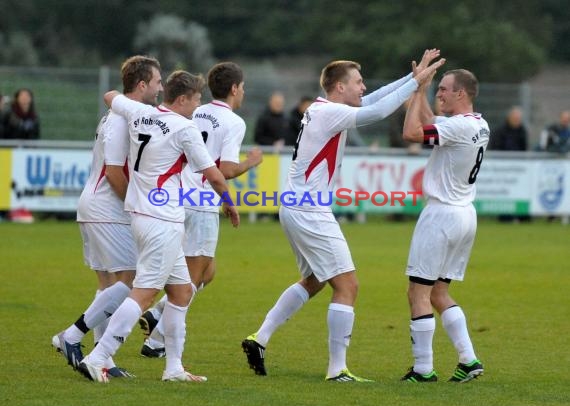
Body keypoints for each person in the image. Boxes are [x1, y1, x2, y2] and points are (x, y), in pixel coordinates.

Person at [241, 50, 444, 382]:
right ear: (338, 87)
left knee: (316, 280)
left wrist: (412, 79)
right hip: (309, 207)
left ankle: (258, 339)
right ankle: (337, 370)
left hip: (297, 204)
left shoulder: (326, 109)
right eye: (358, 81)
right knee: (347, 285)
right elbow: (379, 109)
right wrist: (416, 84)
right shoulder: (330, 113)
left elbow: (375, 100)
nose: (363, 87)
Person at [77, 70, 240, 383]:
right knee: (144, 295)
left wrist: (118, 98)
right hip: (161, 221)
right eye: (195, 99)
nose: (198, 105)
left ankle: (174, 367)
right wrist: (230, 204)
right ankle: (98, 357)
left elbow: (110, 95)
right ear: (181, 99)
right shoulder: (184, 128)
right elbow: (215, 174)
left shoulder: (142, 113)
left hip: (142, 216)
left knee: (180, 294)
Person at [138, 62, 263, 357]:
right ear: (234, 89)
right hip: (204, 203)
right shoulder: (234, 122)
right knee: (192, 278)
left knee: (208, 271)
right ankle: (155, 342)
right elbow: (227, 169)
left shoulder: (197, 109)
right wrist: (251, 162)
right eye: (242, 87)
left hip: (180, 197)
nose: (243, 92)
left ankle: (157, 313)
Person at [51, 56, 163, 377]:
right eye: (157, 81)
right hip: (106, 209)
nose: (160, 87)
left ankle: (102, 361)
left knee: (108, 285)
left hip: (97, 207)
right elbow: (114, 172)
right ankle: (71, 337)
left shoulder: (120, 115)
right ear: (141, 85)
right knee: (130, 282)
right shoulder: (119, 119)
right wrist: (137, 205)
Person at [400, 68, 488, 383]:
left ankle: (423, 369)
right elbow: (433, 123)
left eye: (445, 90)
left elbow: (411, 133)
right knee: (439, 293)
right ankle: (468, 359)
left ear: (461, 94)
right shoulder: (478, 123)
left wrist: (416, 91)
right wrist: (424, 92)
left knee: (418, 292)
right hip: (465, 214)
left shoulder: (457, 127)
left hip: (441, 215)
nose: (440, 93)